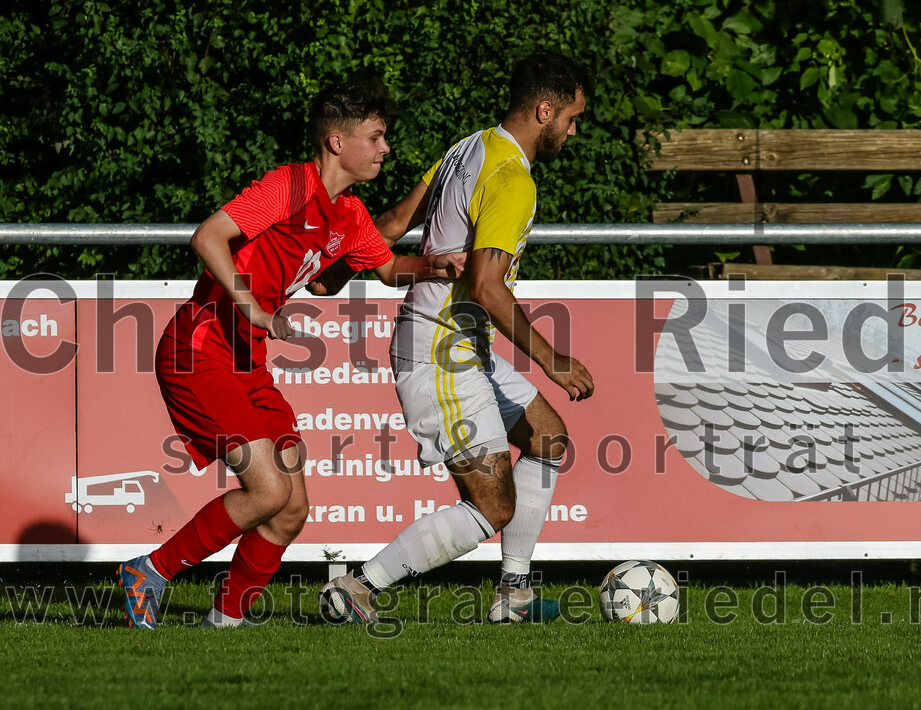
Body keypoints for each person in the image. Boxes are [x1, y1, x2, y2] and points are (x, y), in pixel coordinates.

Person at [116, 79, 465, 629]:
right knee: (269, 488)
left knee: (291, 508)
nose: (385, 148)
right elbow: (208, 237)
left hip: (245, 363)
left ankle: (225, 620)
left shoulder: (348, 216)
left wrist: (437, 265)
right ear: (336, 141)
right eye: (376, 137)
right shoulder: (288, 187)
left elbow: (390, 268)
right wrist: (254, 307)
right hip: (198, 351)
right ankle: (150, 571)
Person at [316, 52, 595, 624]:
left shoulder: (469, 146)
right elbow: (488, 288)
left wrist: (334, 270)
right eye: (571, 118)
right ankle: (357, 586)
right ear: (545, 109)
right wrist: (553, 360)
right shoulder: (512, 179)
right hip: (442, 349)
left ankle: (513, 596)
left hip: (464, 346)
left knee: (547, 437)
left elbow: (392, 223)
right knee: (492, 505)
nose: (573, 130)